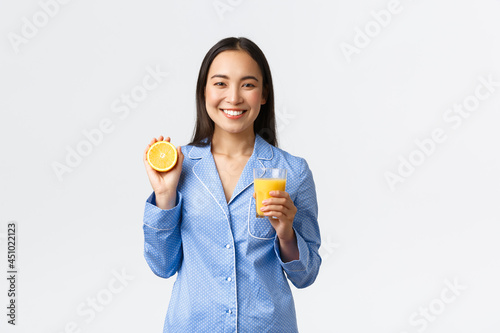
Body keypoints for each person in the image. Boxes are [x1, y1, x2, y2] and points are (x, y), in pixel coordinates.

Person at [142, 37, 321, 332]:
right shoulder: (180, 166)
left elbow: (306, 275)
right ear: (204, 91)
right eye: (221, 83)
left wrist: (287, 234)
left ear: (264, 94)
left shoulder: (293, 172)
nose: (234, 97)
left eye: (248, 85)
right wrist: (164, 195)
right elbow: (162, 266)